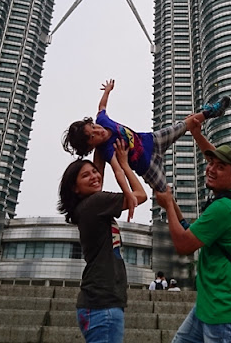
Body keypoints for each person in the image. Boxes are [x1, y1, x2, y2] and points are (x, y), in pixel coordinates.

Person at [62, 79, 231, 220]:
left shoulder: (102, 120)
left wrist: (107, 91)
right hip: (148, 166)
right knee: (164, 194)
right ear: (91, 146)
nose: (98, 131)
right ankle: (182, 222)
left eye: (93, 127)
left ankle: (210, 112)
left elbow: (102, 106)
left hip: (152, 141)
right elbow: (118, 172)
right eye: (93, 136)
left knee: (183, 125)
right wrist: (128, 193)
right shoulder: (106, 149)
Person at [156, 122, 231, 343]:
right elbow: (189, 232)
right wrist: (197, 135)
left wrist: (168, 205)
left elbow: (183, 245)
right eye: (210, 163)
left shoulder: (225, 208)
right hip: (208, 307)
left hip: (226, 316)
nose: (211, 169)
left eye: (220, 167)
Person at [58, 139, 147, 343]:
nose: (94, 176)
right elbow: (140, 196)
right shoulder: (95, 203)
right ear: (75, 188)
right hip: (102, 305)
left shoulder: (87, 206)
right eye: (85, 175)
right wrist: (123, 163)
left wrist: (100, 142)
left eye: (94, 172)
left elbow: (98, 173)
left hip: (98, 304)